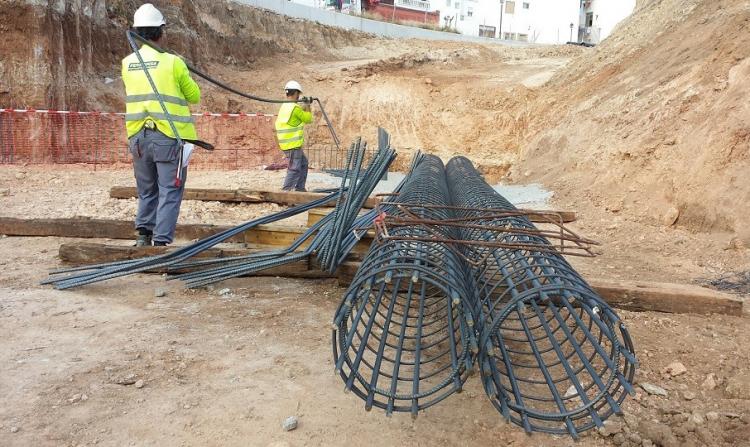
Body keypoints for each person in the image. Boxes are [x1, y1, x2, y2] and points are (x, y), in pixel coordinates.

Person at [121, 3, 201, 246]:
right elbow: (194, 96)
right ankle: (161, 243)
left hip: (138, 138)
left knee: (147, 190)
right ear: (161, 31)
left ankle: (143, 237)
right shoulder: (173, 63)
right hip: (168, 137)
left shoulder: (128, 63)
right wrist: (182, 69)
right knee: (170, 190)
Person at [275, 81, 313, 192]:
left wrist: (304, 105)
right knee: (294, 168)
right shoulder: (295, 108)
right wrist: (307, 106)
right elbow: (308, 119)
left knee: (304, 163)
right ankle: (285, 192)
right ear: (295, 93)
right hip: (292, 144)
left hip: (286, 143)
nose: (299, 96)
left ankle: (300, 189)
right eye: (298, 94)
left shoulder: (285, 106)